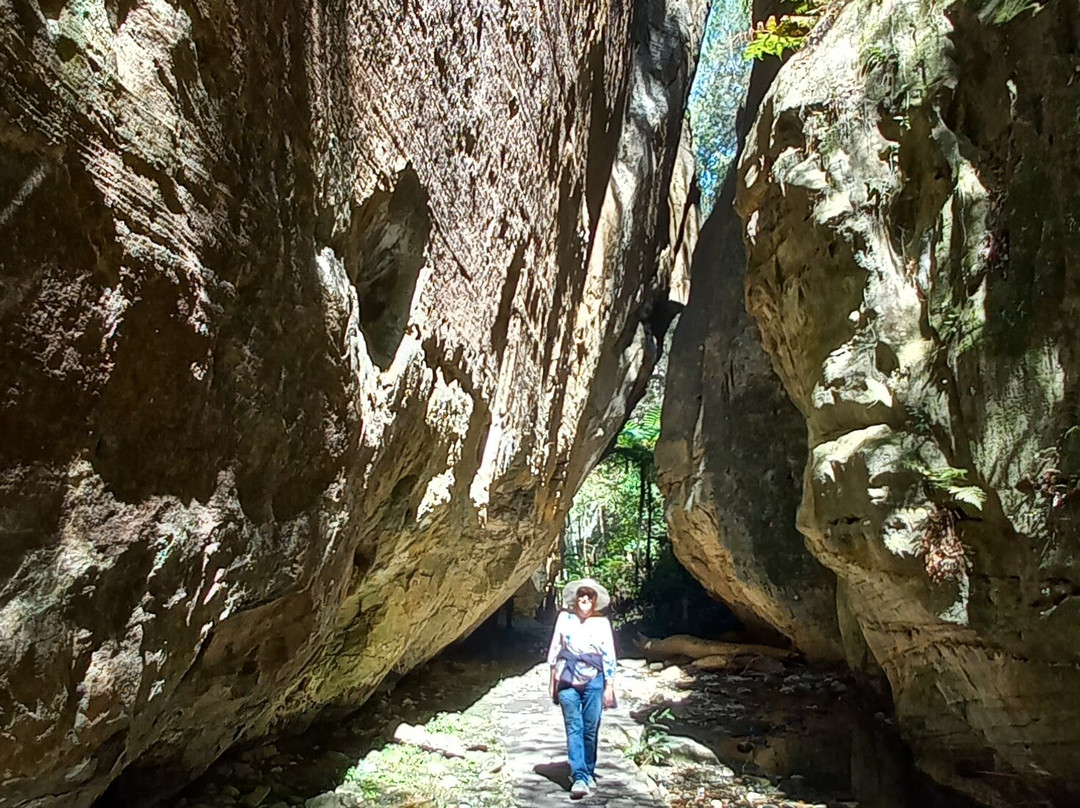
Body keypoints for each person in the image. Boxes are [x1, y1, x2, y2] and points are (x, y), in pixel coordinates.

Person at [546, 577, 617, 799]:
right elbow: (554, 649)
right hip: (567, 677)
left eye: (589, 596)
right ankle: (579, 776)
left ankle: (588, 769)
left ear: (595, 601)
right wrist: (552, 682)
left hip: (594, 679)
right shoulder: (564, 618)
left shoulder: (602, 623)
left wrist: (610, 686)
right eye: (581, 595)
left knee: (590, 727)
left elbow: (609, 655)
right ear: (576, 599)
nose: (585, 599)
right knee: (574, 726)